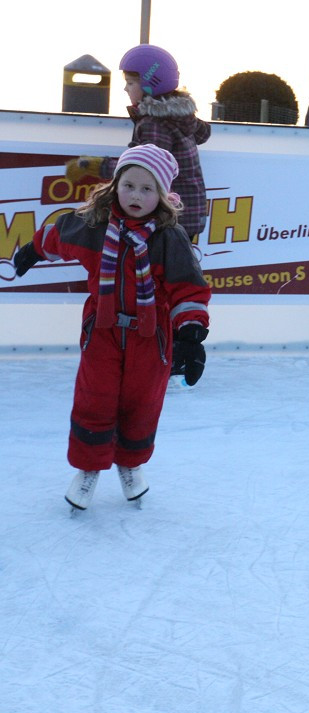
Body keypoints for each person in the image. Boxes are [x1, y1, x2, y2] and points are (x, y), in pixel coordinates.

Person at [13, 145, 211, 512]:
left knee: (142, 403)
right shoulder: (94, 226)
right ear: (115, 185)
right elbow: (59, 235)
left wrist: (191, 335)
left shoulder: (169, 239)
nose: (136, 195)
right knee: (94, 398)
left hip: (151, 339)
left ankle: (130, 465)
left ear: (163, 196)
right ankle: (88, 469)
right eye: (129, 185)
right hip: (101, 332)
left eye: (147, 189)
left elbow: (189, 287)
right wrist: (33, 250)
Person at [65, 44, 211, 389]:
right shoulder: (175, 118)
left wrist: (93, 167)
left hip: (165, 217)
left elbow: (141, 171)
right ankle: (174, 348)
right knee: (173, 280)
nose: (125, 89)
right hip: (181, 214)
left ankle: (168, 353)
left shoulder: (154, 123)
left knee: (158, 284)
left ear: (149, 84)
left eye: (130, 81)